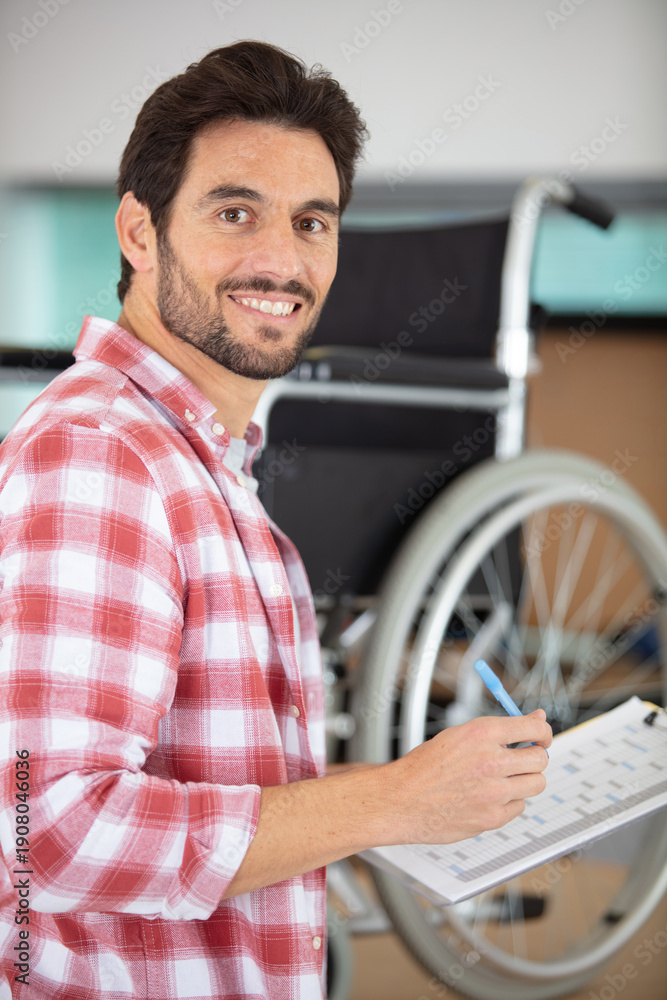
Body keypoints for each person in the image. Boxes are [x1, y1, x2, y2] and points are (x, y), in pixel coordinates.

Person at [0, 40, 551, 1000]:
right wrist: (390, 801)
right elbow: (47, 835)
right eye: (234, 211)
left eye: (311, 222)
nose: (280, 261)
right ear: (139, 230)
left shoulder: (210, 467)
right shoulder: (102, 455)